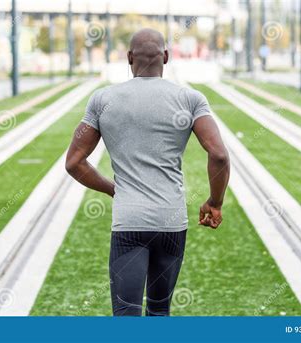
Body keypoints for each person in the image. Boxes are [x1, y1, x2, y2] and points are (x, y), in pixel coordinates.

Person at [65, 28, 230, 316]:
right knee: (159, 312)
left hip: (129, 220)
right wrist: (214, 202)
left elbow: (74, 162)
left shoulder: (103, 99)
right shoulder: (191, 99)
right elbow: (218, 154)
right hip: (171, 220)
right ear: (165, 57)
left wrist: (112, 188)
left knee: (127, 316)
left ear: (129, 58)